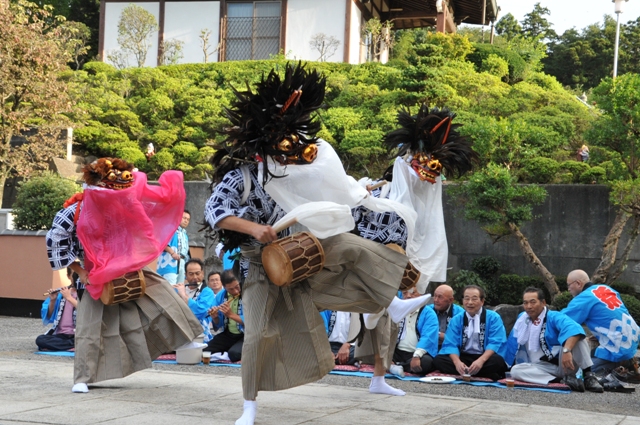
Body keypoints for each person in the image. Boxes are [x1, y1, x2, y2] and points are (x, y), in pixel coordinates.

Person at [204, 63, 431, 425]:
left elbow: (331, 191)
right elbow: (215, 211)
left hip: (296, 257)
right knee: (258, 333)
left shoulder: (290, 173)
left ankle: (391, 300)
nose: (286, 151)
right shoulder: (241, 176)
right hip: (258, 267)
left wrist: (359, 192)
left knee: (347, 244)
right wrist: (254, 228)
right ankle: (249, 406)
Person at [45, 157, 202, 393]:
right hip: (93, 272)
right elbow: (55, 240)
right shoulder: (74, 210)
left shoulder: (123, 202)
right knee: (89, 325)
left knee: (161, 291)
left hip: (124, 265)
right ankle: (82, 377)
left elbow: (147, 218)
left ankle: (185, 335)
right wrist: (80, 271)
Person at [505, 287, 603, 392]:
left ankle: (588, 376)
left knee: (578, 336)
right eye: (525, 303)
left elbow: (574, 328)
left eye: (533, 302)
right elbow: (512, 345)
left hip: (564, 363)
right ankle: (561, 381)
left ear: (543, 303)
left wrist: (567, 350)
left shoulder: (554, 316)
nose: (528, 306)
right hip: (541, 367)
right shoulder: (522, 320)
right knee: (515, 371)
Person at [562, 270, 639, 376]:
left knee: (581, 374)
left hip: (617, 346)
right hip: (633, 337)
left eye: (569, 285)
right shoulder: (606, 288)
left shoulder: (583, 298)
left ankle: (621, 364)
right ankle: (627, 360)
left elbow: (561, 320)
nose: (568, 289)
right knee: (589, 356)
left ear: (578, 283)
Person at [433, 285, 508, 380]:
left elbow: (495, 342)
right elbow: (450, 343)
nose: (470, 302)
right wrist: (457, 363)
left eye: (474, 299)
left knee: (498, 361)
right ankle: (480, 373)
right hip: (463, 356)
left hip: (484, 357)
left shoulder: (493, 317)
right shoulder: (457, 319)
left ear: (482, 301)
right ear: (462, 301)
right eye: (466, 299)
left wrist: (480, 361)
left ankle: (469, 372)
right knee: (439, 360)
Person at [390, 288, 439, 377]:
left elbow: (427, 338)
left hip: (417, 353)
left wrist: (416, 356)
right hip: (397, 351)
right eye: (405, 293)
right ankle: (397, 365)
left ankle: (394, 366)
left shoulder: (429, 313)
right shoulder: (397, 311)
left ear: (420, 294)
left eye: (413, 293)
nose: (408, 296)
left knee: (426, 363)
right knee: (379, 354)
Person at [36, 267, 78, 352]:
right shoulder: (62, 292)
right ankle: (70, 346)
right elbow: (49, 316)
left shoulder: (85, 293)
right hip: (61, 335)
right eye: (75, 274)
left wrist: (69, 298)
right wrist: (53, 300)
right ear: (69, 276)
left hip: (77, 334)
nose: (77, 277)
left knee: (86, 340)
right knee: (40, 339)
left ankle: (66, 346)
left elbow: (86, 311)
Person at [206, 270, 244, 362]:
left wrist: (231, 315)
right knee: (205, 351)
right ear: (224, 287)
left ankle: (232, 349)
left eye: (237, 287)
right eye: (230, 289)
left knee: (234, 354)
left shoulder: (247, 293)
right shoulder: (221, 295)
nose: (235, 291)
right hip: (229, 334)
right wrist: (215, 317)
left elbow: (253, 321)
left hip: (245, 335)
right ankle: (231, 348)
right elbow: (218, 324)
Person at [176, 259, 216, 344]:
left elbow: (199, 312)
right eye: (191, 274)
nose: (195, 277)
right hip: (179, 333)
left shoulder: (207, 292)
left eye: (197, 273)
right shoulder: (179, 289)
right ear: (185, 275)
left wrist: (183, 295)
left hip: (200, 334)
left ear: (202, 273)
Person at [157, 210, 191, 285]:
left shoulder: (185, 234)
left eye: (188, 219)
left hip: (182, 261)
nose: (186, 221)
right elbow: (163, 243)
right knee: (170, 287)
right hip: (170, 262)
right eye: (184, 218)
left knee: (180, 287)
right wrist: (172, 253)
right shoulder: (170, 229)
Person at [428, 284, 464, 349]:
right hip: (430, 346)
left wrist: (443, 336)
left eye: (440, 297)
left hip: (451, 348)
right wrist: (439, 334)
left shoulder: (460, 313)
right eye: (435, 296)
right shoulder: (428, 311)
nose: (436, 300)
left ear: (451, 300)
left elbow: (461, 338)